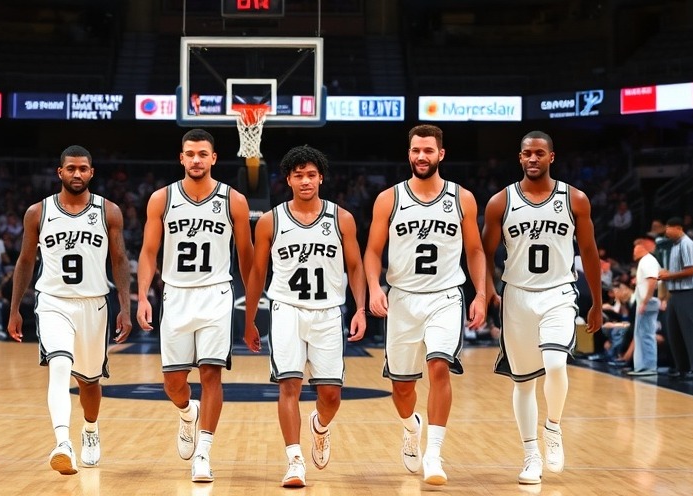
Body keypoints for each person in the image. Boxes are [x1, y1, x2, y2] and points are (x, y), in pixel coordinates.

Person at [363, 124, 487, 486]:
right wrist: (374, 287)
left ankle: (434, 453)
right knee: (402, 389)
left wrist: (480, 293)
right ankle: (410, 427)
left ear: (441, 154)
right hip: (402, 299)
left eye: (428, 150)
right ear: (409, 154)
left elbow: (475, 250)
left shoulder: (462, 198)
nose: (421, 156)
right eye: (416, 150)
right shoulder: (389, 199)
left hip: (445, 296)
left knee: (439, 366)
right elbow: (372, 252)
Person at [482, 131, 603, 486]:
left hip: (558, 293)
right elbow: (484, 252)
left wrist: (597, 302)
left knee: (555, 363)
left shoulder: (574, 199)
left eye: (539, 153)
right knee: (523, 383)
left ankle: (553, 427)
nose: (532, 158)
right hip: (517, 295)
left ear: (552, 157)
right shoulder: (500, 202)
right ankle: (530, 454)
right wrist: (486, 288)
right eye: (527, 154)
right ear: (519, 158)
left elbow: (589, 252)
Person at [243, 145, 367, 488]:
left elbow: (355, 266)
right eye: (298, 175)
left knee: (331, 396)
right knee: (289, 385)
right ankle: (295, 460)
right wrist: (250, 319)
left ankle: (320, 427)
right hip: (286, 309)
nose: (305, 181)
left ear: (321, 178)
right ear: (288, 180)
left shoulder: (341, 219)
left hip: (328, 312)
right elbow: (257, 273)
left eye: (311, 175)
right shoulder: (270, 221)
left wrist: (360, 309)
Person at [135, 129, 254, 483]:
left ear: (213, 158)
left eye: (203, 154)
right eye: (190, 154)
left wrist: (251, 309)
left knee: (211, 374)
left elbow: (246, 257)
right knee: (173, 384)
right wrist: (142, 296)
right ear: (181, 158)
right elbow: (149, 252)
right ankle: (188, 412)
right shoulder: (162, 198)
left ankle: (203, 452)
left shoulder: (234, 200)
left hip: (216, 294)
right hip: (176, 294)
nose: (197, 159)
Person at [7, 145, 132, 475]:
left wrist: (125, 306)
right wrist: (14, 308)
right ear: (60, 172)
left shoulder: (109, 211)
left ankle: (90, 429)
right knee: (60, 365)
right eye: (71, 168)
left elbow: (119, 260)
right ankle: (63, 443)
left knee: (89, 382)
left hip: (94, 303)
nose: (77, 174)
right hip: (53, 301)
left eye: (83, 168)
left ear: (92, 172)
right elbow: (25, 260)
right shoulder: (38, 212)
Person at [658, 217, 693, 379]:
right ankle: (682, 368)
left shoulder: (687, 244)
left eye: (668, 228)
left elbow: (691, 270)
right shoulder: (674, 246)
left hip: (687, 293)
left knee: (689, 331)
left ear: (678, 228)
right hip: (674, 294)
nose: (666, 231)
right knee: (673, 331)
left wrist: (669, 276)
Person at [628, 236, 661, 376]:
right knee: (641, 334)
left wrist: (645, 301)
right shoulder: (645, 261)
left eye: (636, 248)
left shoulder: (648, 260)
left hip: (648, 302)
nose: (634, 252)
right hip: (645, 301)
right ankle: (642, 366)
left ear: (643, 248)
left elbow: (652, 281)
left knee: (646, 334)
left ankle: (649, 367)